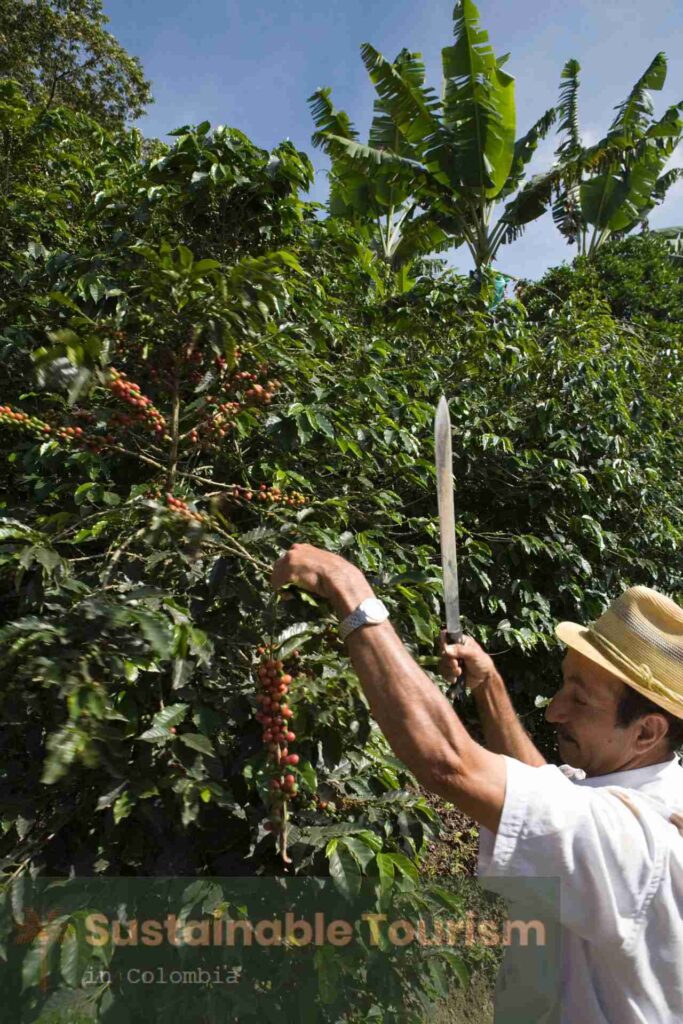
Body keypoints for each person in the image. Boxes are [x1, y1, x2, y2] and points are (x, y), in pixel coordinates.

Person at [270, 543, 683, 1023]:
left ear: (647, 731)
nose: (554, 710)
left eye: (581, 699)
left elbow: (449, 763)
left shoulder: (641, 842)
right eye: (565, 683)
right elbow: (546, 792)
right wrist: (488, 686)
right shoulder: (637, 796)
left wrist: (351, 591)